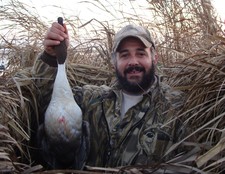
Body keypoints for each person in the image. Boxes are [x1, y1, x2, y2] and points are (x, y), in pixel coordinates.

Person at [33, 22, 185, 170]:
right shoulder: (90, 99)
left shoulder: (178, 108)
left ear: (154, 58)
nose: (133, 62)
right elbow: (49, 102)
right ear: (114, 61)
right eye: (124, 55)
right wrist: (51, 57)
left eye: (141, 53)